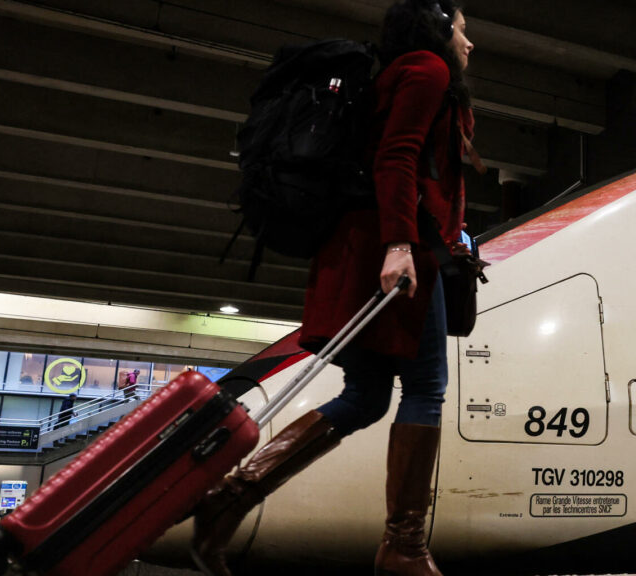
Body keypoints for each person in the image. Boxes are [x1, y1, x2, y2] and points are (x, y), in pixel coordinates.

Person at [190, 1, 476, 575]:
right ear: (440, 31)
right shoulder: (429, 70)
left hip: (359, 248)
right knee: (426, 387)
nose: (471, 46)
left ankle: (227, 501)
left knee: (367, 397)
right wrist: (400, 246)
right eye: (465, 33)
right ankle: (404, 547)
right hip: (395, 249)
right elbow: (396, 158)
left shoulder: (400, 72)